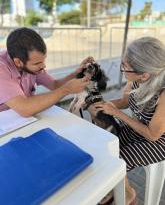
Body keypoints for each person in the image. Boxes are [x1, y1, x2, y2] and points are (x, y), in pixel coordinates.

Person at [89, 37, 165, 205]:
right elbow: (125, 101)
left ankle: (129, 194)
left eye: (125, 67)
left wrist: (117, 113)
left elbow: (153, 135)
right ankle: (118, 187)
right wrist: (102, 104)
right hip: (140, 126)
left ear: (145, 75)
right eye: (122, 63)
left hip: (160, 140)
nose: (121, 70)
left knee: (118, 159)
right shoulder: (135, 80)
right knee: (106, 146)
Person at [0, 27, 92, 116]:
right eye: (37, 63)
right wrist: (67, 89)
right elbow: (25, 108)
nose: (44, 66)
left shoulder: (31, 64)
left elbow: (54, 85)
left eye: (44, 60)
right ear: (18, 62)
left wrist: (75, 74)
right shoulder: (2, 68)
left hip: (23, 120)